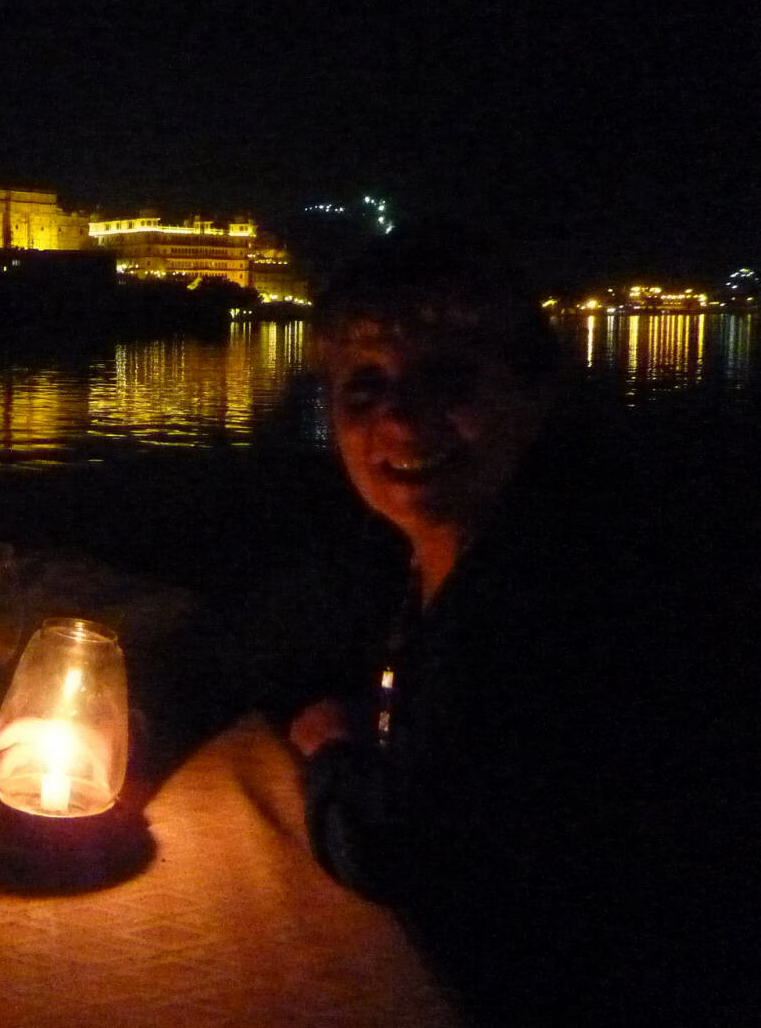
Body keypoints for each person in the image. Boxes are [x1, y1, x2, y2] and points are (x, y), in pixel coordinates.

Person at [286, 231, 749, 1026]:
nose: (399, 416)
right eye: (364, 387)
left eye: (447, 378)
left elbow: (403, 854)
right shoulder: (407, 559)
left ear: (532, 398)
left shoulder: (562, 607)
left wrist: (327, 751)